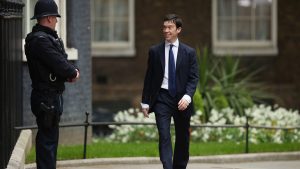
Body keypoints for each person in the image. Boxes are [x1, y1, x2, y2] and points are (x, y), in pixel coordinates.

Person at [24, 0, 79, 169]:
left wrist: (68, 72)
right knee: (47, 142)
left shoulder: (46, 38)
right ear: (48, 18)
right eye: (55, 18)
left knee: (50, 140)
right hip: (46, 98)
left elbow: (61, 61)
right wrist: (73, 73)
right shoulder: (40, 41)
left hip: (49, 97)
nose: (56, 21)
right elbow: (61, 64)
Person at [141, 14, 199, 169]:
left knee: (182, 137)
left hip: (182, 100)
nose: (166, 30)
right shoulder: (154, 51)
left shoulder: (189, 53)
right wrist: (145, 102)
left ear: (178, 29)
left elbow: (194, 78)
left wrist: (188, 96)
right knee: (164, 135)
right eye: (164, 27)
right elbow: (149, 77)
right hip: (162, 98)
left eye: (170, 27)